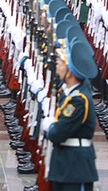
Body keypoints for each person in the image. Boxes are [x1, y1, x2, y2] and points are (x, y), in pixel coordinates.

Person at [42, 26, 99, 190]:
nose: (57, 65)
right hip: (65, 164)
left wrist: (51, 126)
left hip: (75, 167)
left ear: (69, 72)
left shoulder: (78, 101)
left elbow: (57, 133)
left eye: (60, 63)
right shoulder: (70, 93)